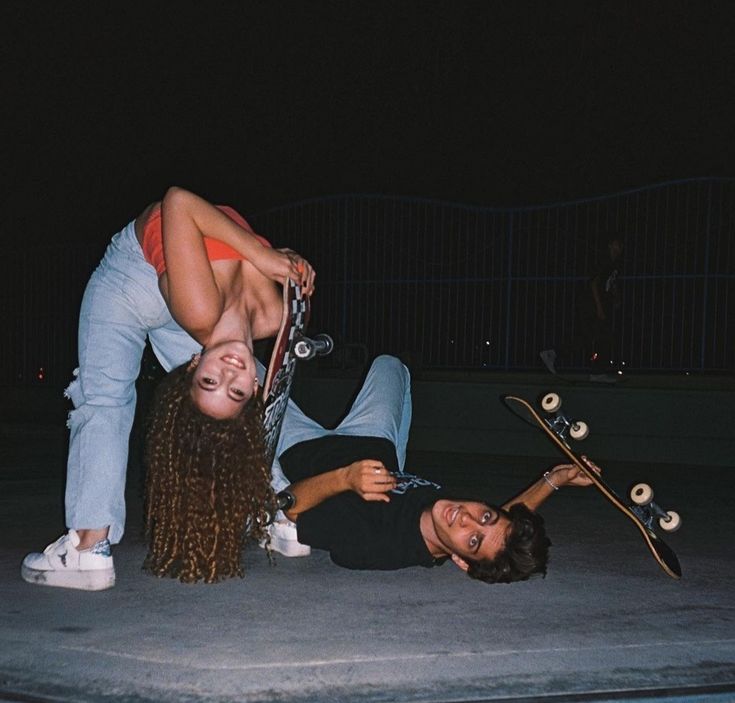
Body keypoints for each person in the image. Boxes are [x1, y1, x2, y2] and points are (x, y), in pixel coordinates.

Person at [21, 187, 315, 590]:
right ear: (254, 387)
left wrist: (264, 256)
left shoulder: (200, 313)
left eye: (211, 380)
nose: (229, 373)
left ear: (194, 362)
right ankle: (276, 507)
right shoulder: (274, 316)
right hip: (182, 284)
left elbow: (177, 201)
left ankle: (87, 548)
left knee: (104, 396)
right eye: (236, 390)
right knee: (220, 420)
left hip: (132, 276)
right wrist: (288, 262)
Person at [265, 355, 596, 583]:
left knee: (241, 369)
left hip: (302, 450)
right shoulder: (462, 532)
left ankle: (270, 518)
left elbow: (293, 504)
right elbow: (498, 531)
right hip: (373, 441)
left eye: (472, 541)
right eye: (485, 516)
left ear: (460, 561)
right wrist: (556, 479)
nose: (466, 518)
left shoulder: (377, 543)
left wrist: (345, 478)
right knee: (391, 366)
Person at [540, 235, 624, 383]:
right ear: (610, 246)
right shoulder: (604, 261)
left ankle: (553, 354)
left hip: (596, 306)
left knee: (589, 337)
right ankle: (597, 372)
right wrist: (599, 308)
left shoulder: (614, 264)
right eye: (616, 245)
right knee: (602, 337)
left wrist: (616, 297)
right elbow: (593, 284)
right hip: (590, 306)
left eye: (620, 247)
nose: (619, 249)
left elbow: (611, 282)